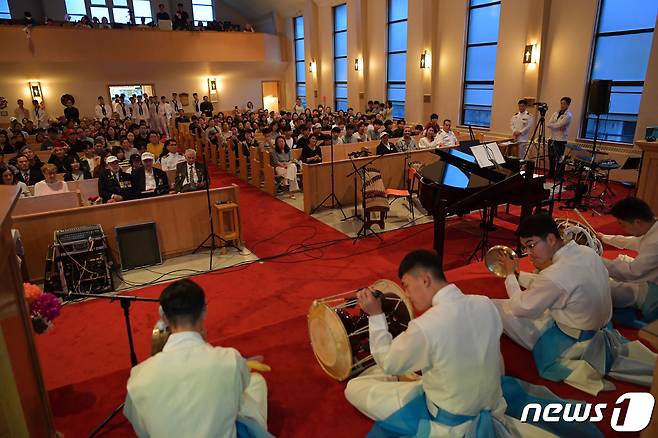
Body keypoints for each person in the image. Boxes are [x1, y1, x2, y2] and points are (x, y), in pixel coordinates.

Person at [345, 250, 547, 437]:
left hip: (451, 424)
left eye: (406, 285)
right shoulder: (484, 302)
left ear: (425, 280)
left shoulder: (425, 326)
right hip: (491, 404)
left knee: (354, 387)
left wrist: (376, 315)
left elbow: (388, 363)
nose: (406, 294)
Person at [493, 213, 655, 395]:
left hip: (573, 341)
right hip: (597, 328)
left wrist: (509, 276)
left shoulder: (554, 275)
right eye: (526, 248)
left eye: (532, 245)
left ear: (551, 239)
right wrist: (517, 276)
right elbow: (551, 285)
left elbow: (521, 307)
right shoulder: (585, 252)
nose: (529, 253)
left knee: (494, 307)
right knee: (544, 301)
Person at [124, 279, 270, 438]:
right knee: (256, 383)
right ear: (204, 312)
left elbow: (143, 431)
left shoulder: (138, 377)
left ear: (164, 318)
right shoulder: (230, 360)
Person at [599, 197, 658, 326]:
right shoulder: (652, 228)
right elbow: (634, 241)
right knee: (617, 267)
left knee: (602, 288)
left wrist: (596, 261)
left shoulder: (655, 241)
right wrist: (605, 238)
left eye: (623, 225)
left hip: (654, 291)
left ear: (637, 222)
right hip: (649, 281)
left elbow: (633, 272)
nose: (623, 229)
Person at [545, 97, 573, 178]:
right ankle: (551, 173)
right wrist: (554, 125)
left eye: (564, 103)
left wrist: (553, 125)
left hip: (561, 140)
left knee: (559, 158)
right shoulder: (556, 113)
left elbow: (559, 125)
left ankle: (559, 175)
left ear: (568, 105)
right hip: (552, 138)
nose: (562, 105)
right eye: (561, 103)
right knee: (551, 157)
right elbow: (548, 124)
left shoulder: (568, 115)